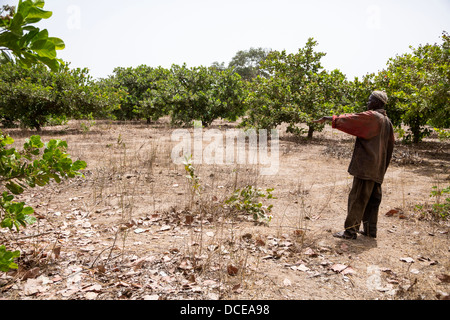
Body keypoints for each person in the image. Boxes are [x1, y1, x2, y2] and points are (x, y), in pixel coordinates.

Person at [313, 91, 395, 239]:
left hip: (366, 166)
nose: (367, 103)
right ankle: (371, 231)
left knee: (358, 198)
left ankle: (350, 231)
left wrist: (330, 119)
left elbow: (353, 120)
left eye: (370, 100)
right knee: (372, 200)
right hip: (378, 168)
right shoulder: (387, 121)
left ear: (377, 102)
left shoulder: (372, 117)